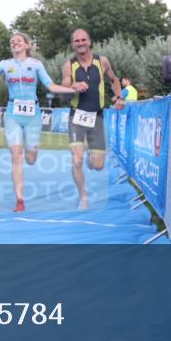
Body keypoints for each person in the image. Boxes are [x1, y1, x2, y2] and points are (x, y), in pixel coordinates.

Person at [0, 32, 85, 213]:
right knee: (15, 157)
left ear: (26, 45)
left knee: (30, 159)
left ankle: (32, 148)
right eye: (12, 41)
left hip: (33, 116)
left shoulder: (36, 65)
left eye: (19, 40)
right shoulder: (5, 64)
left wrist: (72, 89)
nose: (15, 43)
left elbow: (50, 86)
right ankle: (20, 200)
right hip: (12, 114)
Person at [61, 28, 126, 210]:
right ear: (73, 44)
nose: (80, 43)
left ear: (89, 42)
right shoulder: (69, 65)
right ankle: (83, 196)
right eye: (77, 41)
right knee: (76, 160)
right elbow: (64, 89)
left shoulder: (102, 61)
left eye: (83, 40)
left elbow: (114, 80)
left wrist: (119, 97)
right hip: (77, 117)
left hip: (96, 118)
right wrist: (73, 86)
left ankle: (92, 155)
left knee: (97, 165)